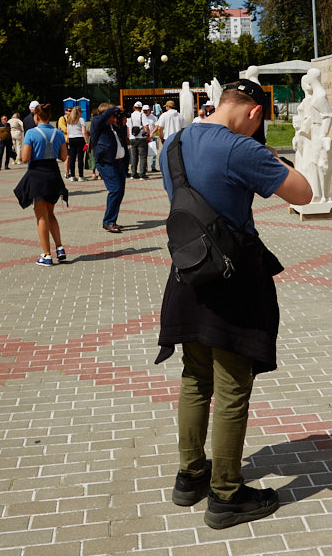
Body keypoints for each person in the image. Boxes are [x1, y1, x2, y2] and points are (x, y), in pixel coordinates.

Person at [154, 79, 311, 530]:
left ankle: (190, 476)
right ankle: (226, 495)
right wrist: (268, 155)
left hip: (187, 273)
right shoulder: (242, 149)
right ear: (254, 113)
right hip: (233, 278)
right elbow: (303, 193)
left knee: (194, 376)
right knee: (231, 387)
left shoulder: (174, 142)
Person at [15, 103, 69, 266]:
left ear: (36, 116)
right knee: (50, 213)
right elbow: (64, 156)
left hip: (38, 175)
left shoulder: (31, 133)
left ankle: (47, 255)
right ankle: (59, 248)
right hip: (53, 173)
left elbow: (24, 158)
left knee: (41, 216)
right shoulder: (58, 133)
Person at [89, 103, 129, 232]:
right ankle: (108, 222)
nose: (114, 116)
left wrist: (122, 124)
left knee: (120, 192)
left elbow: (123, 139)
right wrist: (115, 108)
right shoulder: (97, 124)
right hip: (106, 163)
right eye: (112, 114)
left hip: (119, 163)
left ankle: (112, 220)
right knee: (115, 190)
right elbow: (102, 117)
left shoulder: (113, 127)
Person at [154, 101, 184, 173]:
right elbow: (183, 128)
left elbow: (159, 128)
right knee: (176, 155)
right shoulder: (180, 115)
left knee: (167, 155)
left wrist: (161, 138)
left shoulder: (164, 115)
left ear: (168, 106)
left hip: (167, 138)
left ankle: (168, 170)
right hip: (177, 138)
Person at [128, 101, 150, 180]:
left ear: (134, 107)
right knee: (143, 156)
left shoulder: (130, 115)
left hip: (132, 138)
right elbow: (146, 126)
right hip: (141, 138)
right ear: (141, 108)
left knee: (134, 156)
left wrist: (129, 136)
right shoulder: (142, 115)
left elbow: (128, 127)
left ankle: (133, 174)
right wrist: (148, 136)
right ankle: (142, 174)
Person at [64, 106, 87, 181]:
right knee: (80, 158)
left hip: (71, 139)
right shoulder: (81, 120)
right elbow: (84, 131)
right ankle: (81, 176)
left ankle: (72, 176)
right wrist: (86, 141)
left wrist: (68, 143)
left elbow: (68, 132)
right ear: (80, 113)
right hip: (80, 138)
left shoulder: (69, 120)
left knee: (72, 158)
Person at [143, 104, 160, 172]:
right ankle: (145, 167)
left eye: (146, 110)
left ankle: (153, 167)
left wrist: (152, 133)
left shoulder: (153, 117)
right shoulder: (141, 116)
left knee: (153, 153)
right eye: (144, 111)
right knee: (144, 153)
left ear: (149, 110)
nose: (145, 112)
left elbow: (157, 125)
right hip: (144, 137)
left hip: (152, 137)